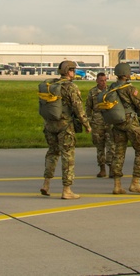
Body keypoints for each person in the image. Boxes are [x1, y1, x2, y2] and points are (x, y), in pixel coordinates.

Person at [41, 60, 91, 199]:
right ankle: (67, 189)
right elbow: (78, 109)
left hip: (50, 125)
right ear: (68, 71)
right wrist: (86, 125)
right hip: (65, 126)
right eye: (73, 70)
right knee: (67, 157)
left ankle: (46, 183)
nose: (74, 73)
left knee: (52, 153)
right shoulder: (71, 87)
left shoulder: (51, 85)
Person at [107, 62, 140, 194]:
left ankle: (117, 185)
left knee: (118, 153)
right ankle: (135, 183)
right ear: (126, 74)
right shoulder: (130, 89)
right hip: (131, 122)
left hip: (117, 123)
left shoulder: (111, 88)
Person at [84, 72, 112, 177]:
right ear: (97, 81)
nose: (103, 82)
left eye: (105, 80)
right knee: (100, 146)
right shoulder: (92, 92)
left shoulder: (110, 91)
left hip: (109, 120)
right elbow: (88, 108)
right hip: (97, 121)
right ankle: (102, 169)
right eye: (101, 80)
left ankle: (112, 168)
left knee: (111, 145)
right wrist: (89, 122)